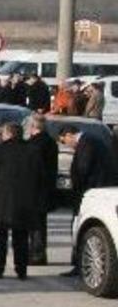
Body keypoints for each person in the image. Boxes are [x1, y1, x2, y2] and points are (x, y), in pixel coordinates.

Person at [59, 125, 118, 276]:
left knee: (81, 226)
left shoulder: (87, 142)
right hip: (95, 190)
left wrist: (77, 187)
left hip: (92, 193)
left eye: (64, 140)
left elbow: (83, 168)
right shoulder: (90, 140)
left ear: (69, 134)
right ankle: (78, 264)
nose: (66, 145)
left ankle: (80, 265)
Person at [0, 123, 37, 280]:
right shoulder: (32, 150)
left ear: (8, 134)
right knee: (21, 237)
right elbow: (39, 176)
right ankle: (21, 270)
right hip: (24, 201)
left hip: (0, 199)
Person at [25, 114, 58, 265]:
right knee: (40, 223)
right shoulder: (51, 142)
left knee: (35, 224)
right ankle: (38, 253)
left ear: (33, 127)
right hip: (47, 187)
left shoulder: (34, 144)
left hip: (34, 188)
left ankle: (37, 254)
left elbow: (31, 169)